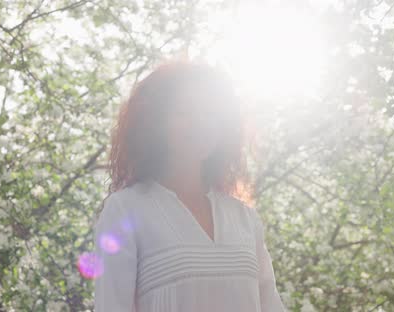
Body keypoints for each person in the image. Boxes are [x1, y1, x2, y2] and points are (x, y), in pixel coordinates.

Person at [92, 58, 288, 311]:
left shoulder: (244, 219)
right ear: (155, 122)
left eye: (210, 112)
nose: (201, 122)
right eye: (185, 112)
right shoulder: (125, 210)